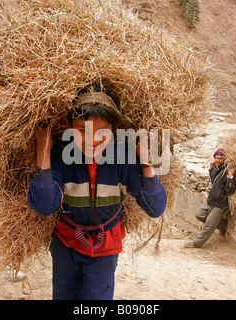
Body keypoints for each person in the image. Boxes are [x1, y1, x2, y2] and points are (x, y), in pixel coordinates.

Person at [27, 90, 167, 300]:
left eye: (103, 131)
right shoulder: (60, 154)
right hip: (66, 243)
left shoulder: (123, 158)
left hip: (106, 246)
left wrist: (146, 158)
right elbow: (45, 205)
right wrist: (44, 147)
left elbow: (155, 207)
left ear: (114, 130)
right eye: (82, 130)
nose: (92, 140)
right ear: (68, 125)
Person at [184, 148, 236, 249]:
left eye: (220, 158)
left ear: (225, 159)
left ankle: (197, 243)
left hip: (221, 203)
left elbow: (230, 190)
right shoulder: (217, 169)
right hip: (211, 200)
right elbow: (213, 180)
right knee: (199, 214)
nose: (217, 160)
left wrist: (230, 176)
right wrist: (211, 169)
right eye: (216, 158)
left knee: (208, 224)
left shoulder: (228, 171)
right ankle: (221, 224)